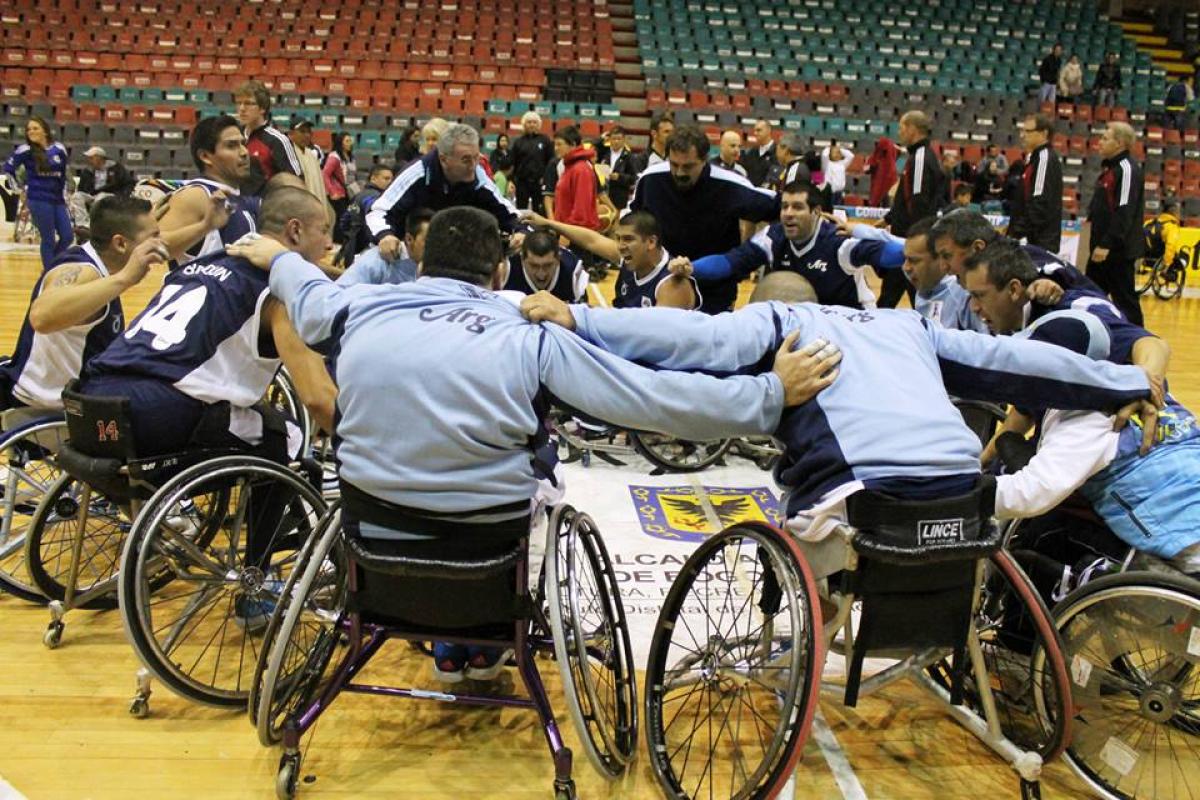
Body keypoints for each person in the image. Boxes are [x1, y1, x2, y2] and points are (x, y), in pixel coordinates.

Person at [230, 204, 834, 680]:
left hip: (374, 543)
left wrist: (278, 255)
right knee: (544, 472)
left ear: (421, 266)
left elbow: (304, 291)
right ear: (499, 273)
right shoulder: (526, 329)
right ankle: (479, 638)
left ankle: (442, 645)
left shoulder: (357, 307)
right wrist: (769, 395)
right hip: (486, 551)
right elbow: (652, 400)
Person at [520, 270, 1155, 550]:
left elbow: (690, 336)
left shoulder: (775, 321)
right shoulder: (909, 325)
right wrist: (1120, 382)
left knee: (808, 538)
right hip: (965, 500)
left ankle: (810, 625)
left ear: (766, 302)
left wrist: (583, 316)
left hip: (862, 506)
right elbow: (1018, 361)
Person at [994, 311, 1200, 573]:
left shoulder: (1082, 415)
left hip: (1184, 544)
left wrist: (960, 492)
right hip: (1185, 508)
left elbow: (1030, 494)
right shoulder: (1152, 393)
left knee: (1041, 539)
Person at [0, 196, 164, 410]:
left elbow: (157, 245)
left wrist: (205, 224)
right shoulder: (84, 272)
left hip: (58, 397)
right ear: (121, 243)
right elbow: (41, 316)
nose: (160, 243)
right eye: (154, 236)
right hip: (46, 409)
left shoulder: (98, 258)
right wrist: (125, 279)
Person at [669, 180, 903, 309]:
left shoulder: (838, 240)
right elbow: (730, 262)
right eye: (785, 207)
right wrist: (692, 268)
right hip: (802, 328)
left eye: (798, 207)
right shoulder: (773, 237)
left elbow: (892, 255)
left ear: (816, 212)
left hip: (849, 324)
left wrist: (874, 234)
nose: (788, 214)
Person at [627, 124, 779, 314]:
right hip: (663, 285)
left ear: (704, 160)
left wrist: (744, 256)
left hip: (714, 292)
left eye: (688, 166)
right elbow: (632, 223)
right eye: (674, 165)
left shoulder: (730, 186)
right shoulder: (650, 180)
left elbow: (780, 208)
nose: (680, 173)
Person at [365, 124, 522, 264]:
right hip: (404, 259)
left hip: (451, 261)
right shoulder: (417, 172)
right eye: (466, 160)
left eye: (476, 158)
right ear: (443, 159)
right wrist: (385, 235)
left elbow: (510, 214)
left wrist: (521, 231)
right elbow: (378, 210)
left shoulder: (478, 176)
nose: (473, 166)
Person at [526, 210, 700, 309]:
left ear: (651, 242)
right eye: (618, 238)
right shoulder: (632, 258)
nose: (620, 246)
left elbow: (658, 341)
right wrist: (548, 223)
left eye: (628, 239)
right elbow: (591, 240)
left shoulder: (671, 284)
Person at [156, 115, 261, 270]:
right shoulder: (196, 195)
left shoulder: (240, 196)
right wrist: (204, 227)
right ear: (205, 156)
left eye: (243, 144)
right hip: (199, 291)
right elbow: (156, 248)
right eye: (232, 146)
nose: (244, 152)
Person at [882, 110, 945, 308]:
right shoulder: (920, 156)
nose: (899, 133)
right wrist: (889, 218)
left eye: (901, 128)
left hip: (909, 241)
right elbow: (906, 195)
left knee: (901, 297)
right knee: (892, 297)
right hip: (908, 240)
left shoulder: (920, 158)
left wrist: (915, 242)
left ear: (912, 129)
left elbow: (918, 202)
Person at [1086, 122, 1146, 326]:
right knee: (1090, 296)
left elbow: (1125, 211)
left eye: (1105, 138)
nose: (1099, 142)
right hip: (1100, 249)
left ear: (1120, 143)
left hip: (1117, 251)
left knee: (1125, 301)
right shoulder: (1110, 168)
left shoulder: (1127, 169)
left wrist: (1107, 244)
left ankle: (1138, 344)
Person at [3, 117, 73, 270]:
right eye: (29, 129)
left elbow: (64, 175)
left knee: (67, 236)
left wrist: (66, 196)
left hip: (58, 200)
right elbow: (8, 169)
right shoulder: (25, 151)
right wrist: (19, 190)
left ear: (45, 131)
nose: (31, 132)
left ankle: (54, 264)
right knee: (48, 238)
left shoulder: (59, 149)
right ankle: (49, 272)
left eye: (35, 128)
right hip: (39, 199)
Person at [900, 217, 988, 333]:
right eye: (905, 259)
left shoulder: (964, 294)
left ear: (939, 259)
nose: (906, 267)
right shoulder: (924, 288)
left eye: (914, 260)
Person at [234, 80, 302, 195]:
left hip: (266, 209)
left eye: (248, 103)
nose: (241, 108)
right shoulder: (234, 138)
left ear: (262, 108)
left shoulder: (277, 140)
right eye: (238, 103)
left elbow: (295, 182)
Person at [1008, 113, 1063, 253]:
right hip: (1032, 238)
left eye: (1028, 131)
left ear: (1044, 133)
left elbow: (1039, 202)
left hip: (1040, 241)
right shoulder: (1034, 158)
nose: (1022, 135)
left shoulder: (1044, 158)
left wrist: (1017, 231)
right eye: (1022, 131)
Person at [339, 206, 430, 287]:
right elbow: (341, 293)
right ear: (409, 239)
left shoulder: (434, 268)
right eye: (428, 240)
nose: (434, 245)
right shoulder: (377, 260)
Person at [501, 227, 587, 303]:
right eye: (534, 266)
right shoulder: (505, 270)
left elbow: (581, 317)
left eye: (548, 265)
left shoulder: (573, 272)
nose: (541, 274)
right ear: (522, 259)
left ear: (558, 258)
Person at [71, 146, 135, 240]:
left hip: (111, 195)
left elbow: (128, 183)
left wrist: (123, 197)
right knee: (77, 196)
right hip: (92, 195)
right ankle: (82, 225)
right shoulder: (87, 171)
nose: (89, 160)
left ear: (99, 158)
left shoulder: (116, 168)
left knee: (101, 196)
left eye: (91, 157)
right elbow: (81, 188)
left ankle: (93, 225)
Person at [548, 126, 600, 230]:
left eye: (559, 144)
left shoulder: (580, 169)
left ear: (573, 144)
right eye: (555, 144)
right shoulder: (569, 167)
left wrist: (568, 234)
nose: (555, 148)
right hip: (566, 229)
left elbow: (581, 208)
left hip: (575, 234)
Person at [287, 118, 332, 227]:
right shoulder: (288, 154)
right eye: (302, 131)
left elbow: (319, 186)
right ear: (291, 134)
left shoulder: (311, 155)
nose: (307, 135)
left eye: (309, 132)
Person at [510, 112, 554, 213]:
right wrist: (511, 180)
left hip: (539, 183)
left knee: (539, 210)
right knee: (521, 211)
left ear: (538, 125)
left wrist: (546, 178)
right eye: (529, 122)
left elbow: (551, 161)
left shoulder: (545, 140)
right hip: (522, 183)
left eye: (534, 122)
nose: (532, 124)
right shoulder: (518, 142)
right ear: (524, 124)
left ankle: (539, 229)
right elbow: (513, 162)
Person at [323, 131, 357, 238]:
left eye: (350, 140)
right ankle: (338, 240)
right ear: (340, 142)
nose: (349, 143)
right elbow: (325, 174)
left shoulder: (350, 156)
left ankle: (343, 240)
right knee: (341, 217)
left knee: (346, 217)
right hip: (337, 193)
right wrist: (332, 192)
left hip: (348, 192)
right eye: (347, 141)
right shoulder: (334, 157)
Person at [601, 125, 637, 210]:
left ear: (624, 140)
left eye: (619, 139)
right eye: (614, 139)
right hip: (603, 195)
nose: (616, 141)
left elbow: (633, 178)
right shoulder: (603, 152)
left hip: (619, 197)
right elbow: (592, 145)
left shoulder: (629, 156)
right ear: (609, 139)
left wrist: (619, 177)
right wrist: (602, 138)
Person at [741, 119, 778, 189]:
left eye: (759, 130)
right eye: (754, 130)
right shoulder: (752, 152)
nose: (755, 133)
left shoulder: (778, 152)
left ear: (768, 130)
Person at [865, 137, 898, 208]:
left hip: (885, 191)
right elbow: (866, 169)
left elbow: (866, 169)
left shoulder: (877, 158)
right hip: (879, 189)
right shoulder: (876, 157)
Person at [821, 140, 852, 205]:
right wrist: (829, 147)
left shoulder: (842, 164)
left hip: (840, 192)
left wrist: (840, 149)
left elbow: (851, 156)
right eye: (835, 153)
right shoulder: (827, 164)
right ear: (830, 154)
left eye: (838, 153)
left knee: (838, 210)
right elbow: (824, 155)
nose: (837, 154)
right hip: (830, 192)